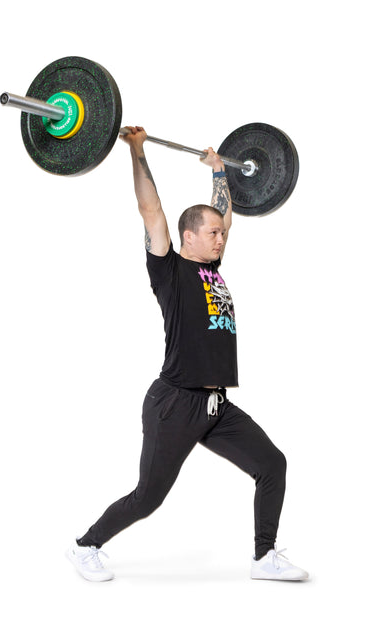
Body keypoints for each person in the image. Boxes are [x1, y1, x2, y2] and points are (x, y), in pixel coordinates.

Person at [67, 126, 308, 582]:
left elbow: (224, 214)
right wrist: (137, 151)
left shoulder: (212, 268)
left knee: (272, 464)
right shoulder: (170, 270)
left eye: (221, 233)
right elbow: (150, 209)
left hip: (216, 405)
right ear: (188, 236)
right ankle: (85, 546)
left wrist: (221, 172)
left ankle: (263, 557)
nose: (221, 238)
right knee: (149, 496)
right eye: (213, 233)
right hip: (174, 403)